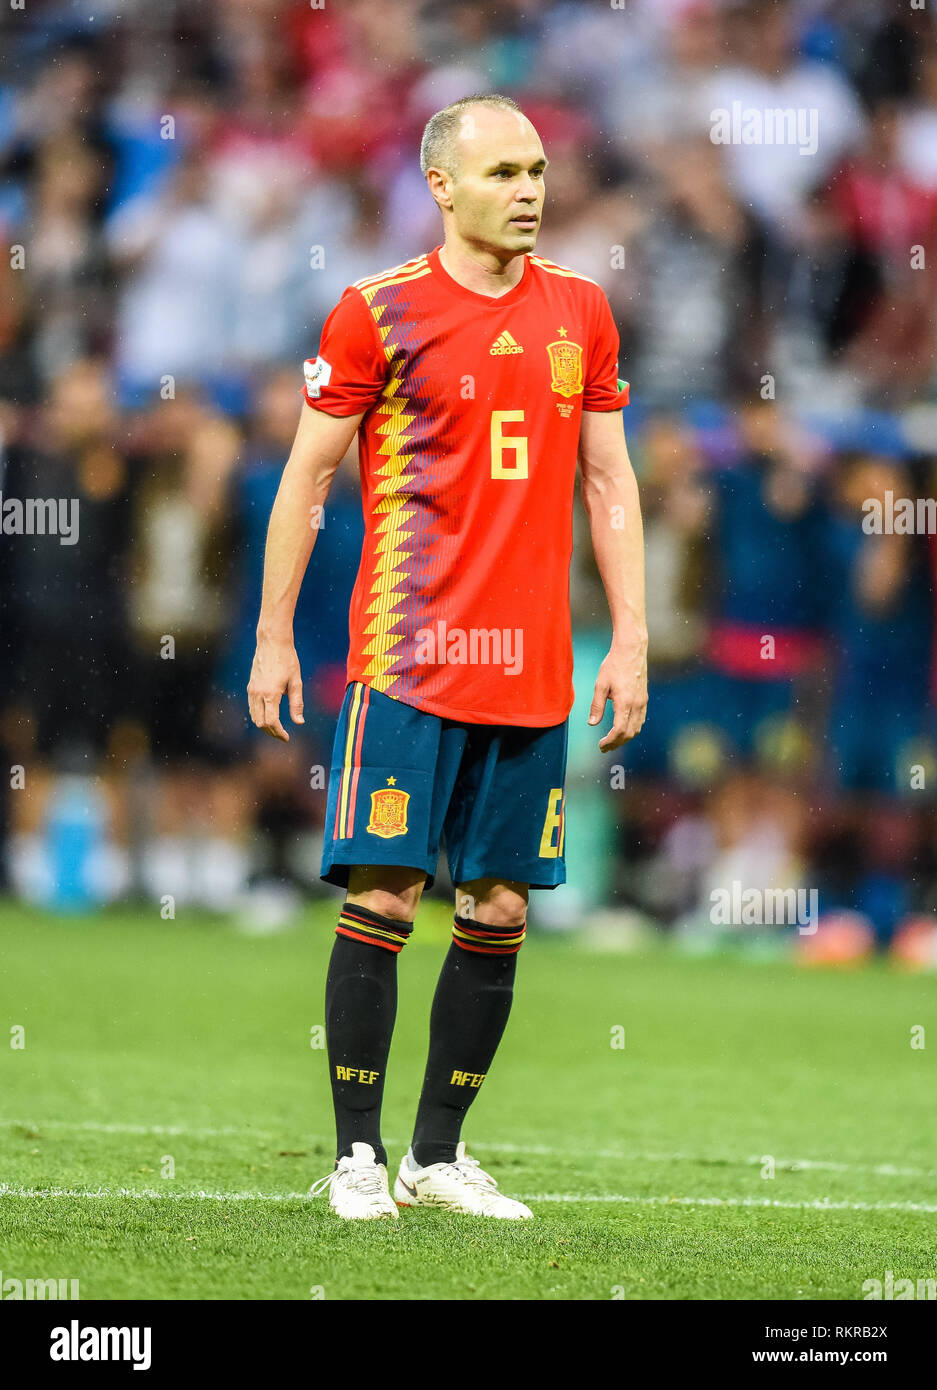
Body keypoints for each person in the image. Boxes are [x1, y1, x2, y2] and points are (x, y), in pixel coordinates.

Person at [248, 94, 647, 1219]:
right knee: (386, 890)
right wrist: (275, 634)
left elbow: (610, 483)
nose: (528, 191)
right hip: (407, 660)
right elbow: (307, 480)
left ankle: (436, 1152)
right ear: (442, 186)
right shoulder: (375, 313)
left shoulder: (582, 311)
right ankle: (356, 1157)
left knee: (500, 910)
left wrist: (631, 639)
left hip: (531, 671)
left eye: (537, 171)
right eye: (503, 172)